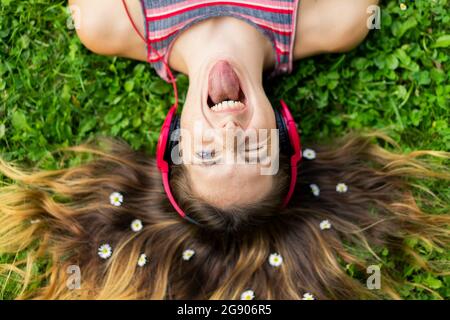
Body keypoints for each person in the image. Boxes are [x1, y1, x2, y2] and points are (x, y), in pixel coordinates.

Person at [0, 0, 448, 300]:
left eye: (208, 154)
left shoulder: (108, 23)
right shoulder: (339, 19)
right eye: (254, 152)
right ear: (283, 130)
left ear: (174, 136)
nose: (230, 132)